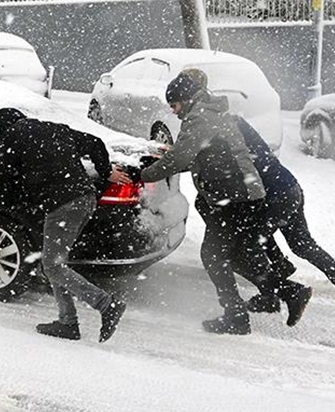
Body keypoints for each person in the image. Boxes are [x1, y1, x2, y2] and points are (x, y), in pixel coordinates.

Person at [175, 68, 335, 320]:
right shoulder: (230, 118)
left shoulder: (212, 123)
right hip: (287, 186)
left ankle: (283, 291)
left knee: (244, 248)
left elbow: (214, 160)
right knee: (300, 244)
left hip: (270, 195)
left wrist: (176, 158)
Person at [131, 73, 312, 335]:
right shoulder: (210, 112)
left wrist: (143, 174)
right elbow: (202, 152)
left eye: (174, 104)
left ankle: (238, 316)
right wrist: (173, 154)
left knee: (214, 256)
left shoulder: (199, 117)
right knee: (235, 256)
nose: (173, 110)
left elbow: (181, 159)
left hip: (233, 197)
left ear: (186, 98)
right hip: (242, 194)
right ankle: (288, 292)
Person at [0, 107, 129, 343]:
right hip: (84, 199)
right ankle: (67, 323)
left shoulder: (11, 139)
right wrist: (104, 171)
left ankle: (107, 304)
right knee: (55, 263)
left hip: (63, 204)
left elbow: (3, 180)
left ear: (3, 130)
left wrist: (14, 200)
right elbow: (95, 142)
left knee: (52, 266)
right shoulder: (53, 129)